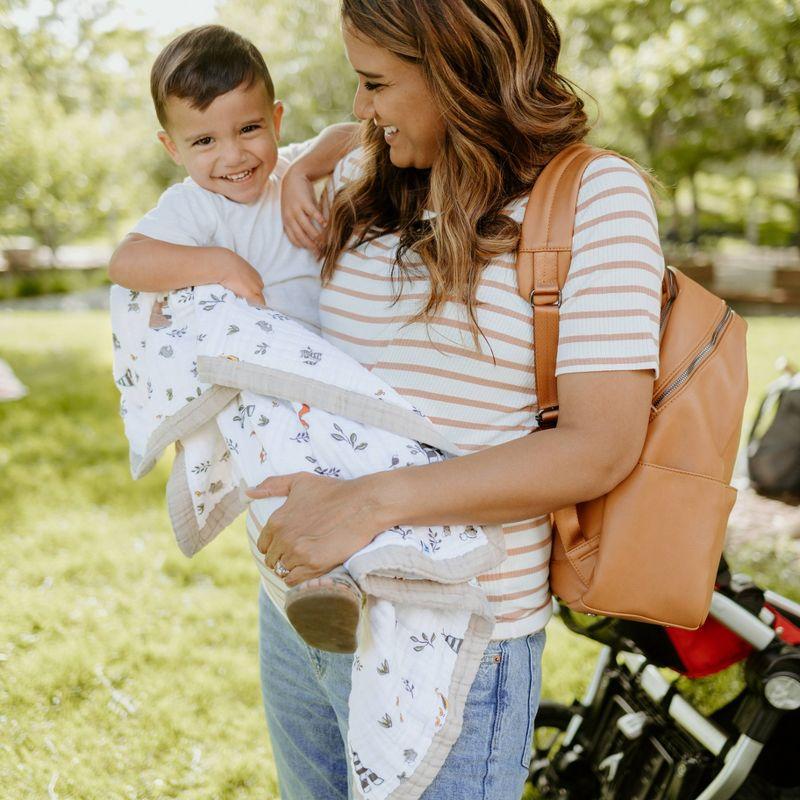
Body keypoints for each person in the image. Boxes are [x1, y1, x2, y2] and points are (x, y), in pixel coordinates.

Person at [247, 0, 664, 798]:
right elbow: (245, 169)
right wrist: (303, 165)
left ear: (461, 73)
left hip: (459, 645)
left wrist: (372, 502)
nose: (361, 107)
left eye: (376, 83)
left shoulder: (595, 198)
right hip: (304, 610)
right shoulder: (367, 174)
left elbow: (599, 444)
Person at [108, 24, 366, 653]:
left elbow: (360, 134)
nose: (233, 155)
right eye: (204, 140)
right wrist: (217, 265)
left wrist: (305, 167)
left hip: (326, 368)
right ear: (173, 148)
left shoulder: (289, 174)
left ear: (276, 118)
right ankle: (318, 587)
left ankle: (377, 569)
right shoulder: (195, 206)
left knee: (350, 470)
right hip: (261, 382)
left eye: (249, 128)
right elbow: (126, 261)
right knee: (280, 473)